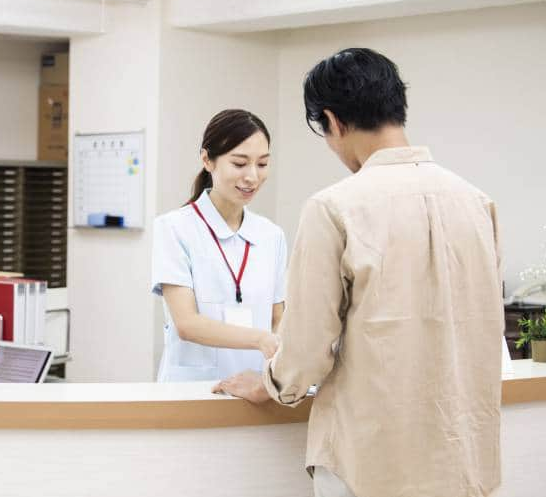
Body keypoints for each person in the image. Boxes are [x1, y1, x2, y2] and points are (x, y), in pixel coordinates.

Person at [214, 48, 503, 497]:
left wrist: (270, 385)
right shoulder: (477, 202)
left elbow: (307, 345)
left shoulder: (334, 208)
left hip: (371, 460)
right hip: (463, 459)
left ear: (333, 121)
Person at [151, 109, 287, 382]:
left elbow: (278, 318)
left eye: (262, 164)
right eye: (239, 164)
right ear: (207, 160)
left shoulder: (272, 235)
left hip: (255, 388)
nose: (252, 176)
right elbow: (187, 324)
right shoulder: (175, 228)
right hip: (192, 391)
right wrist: (261, 339)